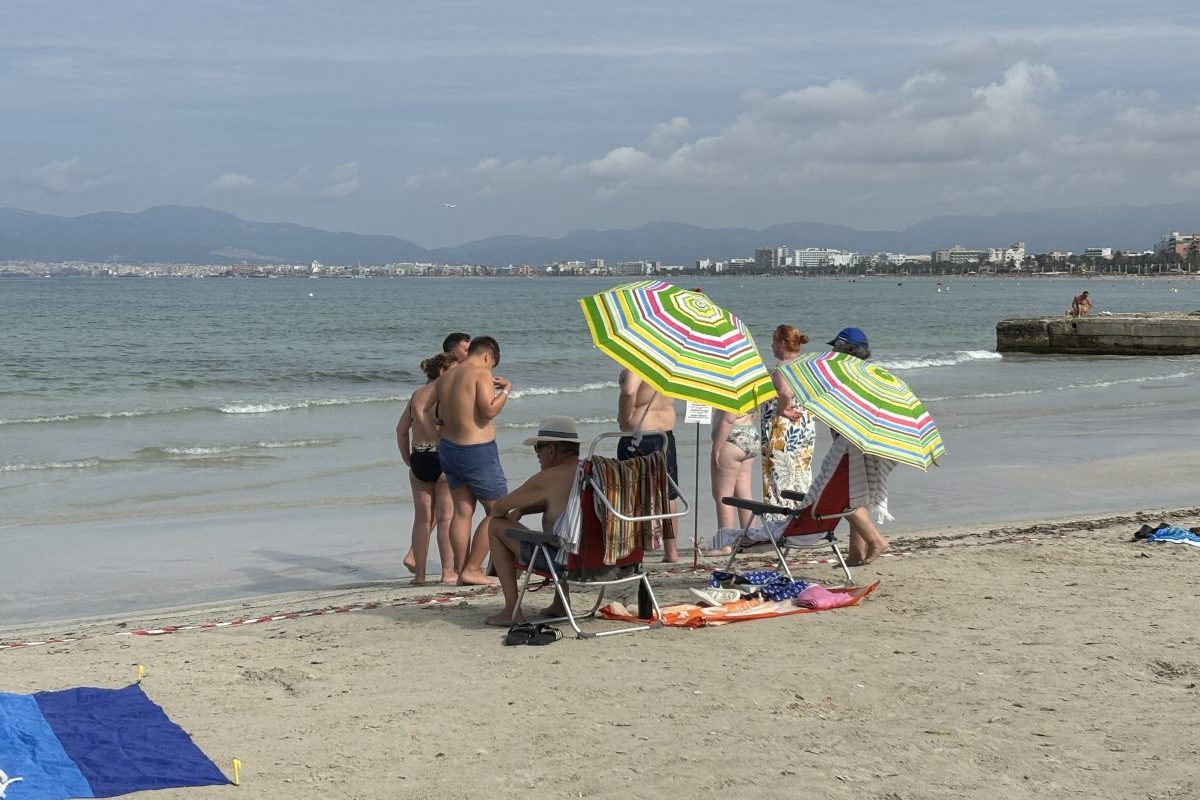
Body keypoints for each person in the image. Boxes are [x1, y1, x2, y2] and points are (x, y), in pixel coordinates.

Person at [425, 335, 511, 585]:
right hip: (477, 451)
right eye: (491, 364)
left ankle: (462, 571)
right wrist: (506, 389)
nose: (490, 369)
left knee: (462, 512)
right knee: (499, 510)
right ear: (487, 356)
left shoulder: (447, 376)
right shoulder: (481, 373)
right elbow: (488, 410)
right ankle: (472, 569)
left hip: (449, 449)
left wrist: (438, 428)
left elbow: (425, 407)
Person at [482, 417, 583, 626]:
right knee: (563, 528)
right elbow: (566, 507)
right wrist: (523, 510)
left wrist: (515, 509)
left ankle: (512, 610)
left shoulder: (549, 477)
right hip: (599, 562)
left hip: (564, 564)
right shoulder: (591, 472)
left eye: (539, 447)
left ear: (552, 450)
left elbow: (498, 508)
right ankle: (560, 603)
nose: (537, 454)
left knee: (496, 526)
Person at [827, 327, 890, 566]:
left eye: (836, 347)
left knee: (841, 498)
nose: (832, 351)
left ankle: (876, 540)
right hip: (867, 440)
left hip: (849, 443)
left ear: (844, 349)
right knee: (857, 497)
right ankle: (855, 554)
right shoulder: (871, 374)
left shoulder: (844, 376)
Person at [396, 353, 458, 584]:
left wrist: (408, 458)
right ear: (442, 371)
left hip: (419, 457)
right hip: (441, 456)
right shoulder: (446, 395)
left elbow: (401, 430)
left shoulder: (417, 395)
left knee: (422, 519)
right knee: (445, 518)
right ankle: (447, 572)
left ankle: (420, 575)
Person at [616, 369, 679, 562]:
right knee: (668, 493)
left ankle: (634, 551)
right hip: (665, 434)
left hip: (639, 436)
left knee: (632, 493)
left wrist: (624, 418)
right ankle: (671, 551)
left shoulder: (639, 364)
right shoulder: (666, 365)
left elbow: (629, 391)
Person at [760, 325, 817, 513]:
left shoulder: (783, 366)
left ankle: (780, 522)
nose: (771, 346)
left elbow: (785, 392)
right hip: (804, 428)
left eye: (774, 341)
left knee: (780, 479)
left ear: (783, 343)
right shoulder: (806, 365)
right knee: (801, 476)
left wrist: (781, 408)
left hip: (783, 432)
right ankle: (801, 517)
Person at [709, 408, 759, 543]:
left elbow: (728, 420)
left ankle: (725, 543)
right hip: (750, 433)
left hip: (732, 437)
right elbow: (754, 414)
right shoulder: (749, 392)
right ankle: (750, 537)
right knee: (744, 493)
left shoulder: (731, 394)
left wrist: (716, 449)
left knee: (723, 496)